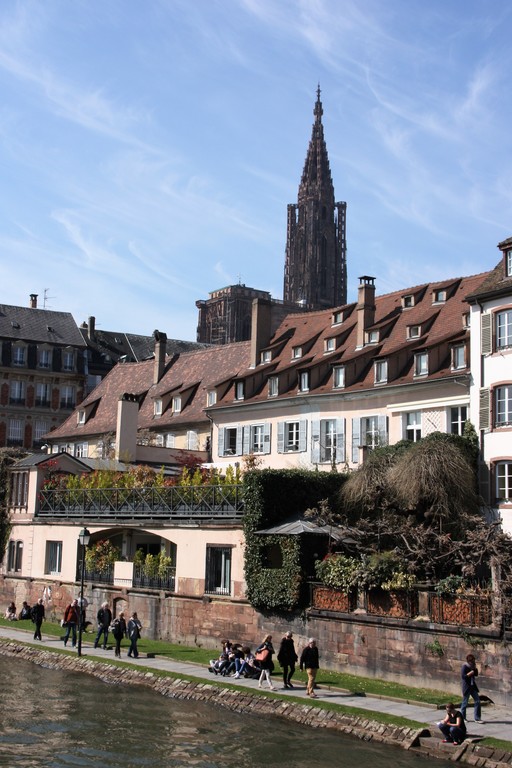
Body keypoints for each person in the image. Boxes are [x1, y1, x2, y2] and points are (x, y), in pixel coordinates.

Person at [461, 654, 483, 723]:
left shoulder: (473, 666)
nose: (473, 662)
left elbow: (476, 674)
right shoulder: (465, 667)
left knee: (477, 701)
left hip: (473, 686)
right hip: (467, 687)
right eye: (472, 661)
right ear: (469, 661)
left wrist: (475, 669)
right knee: (465, 703)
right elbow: (463, 677)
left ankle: (477, 718)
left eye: (474, 661)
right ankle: (463, 718)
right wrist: (470, 673)